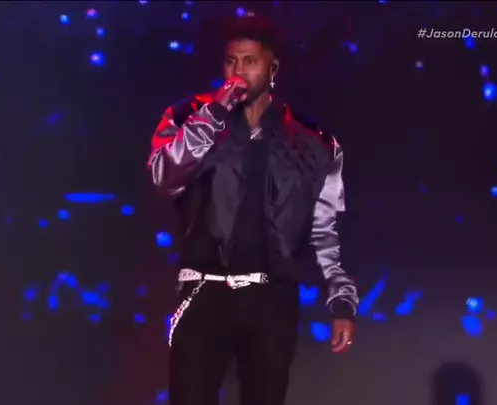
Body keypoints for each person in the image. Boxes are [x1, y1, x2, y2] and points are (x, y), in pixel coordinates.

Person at [146, 15, 359, 405]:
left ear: (272, 68)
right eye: (231, 61)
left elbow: (326, 230)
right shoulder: (187, 116)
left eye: (250, 62)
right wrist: (212, 115)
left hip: (271, 299)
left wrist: (341, 301)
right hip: (203, 291)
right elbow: (164, 177)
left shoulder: (313, 142)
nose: (238, 72)